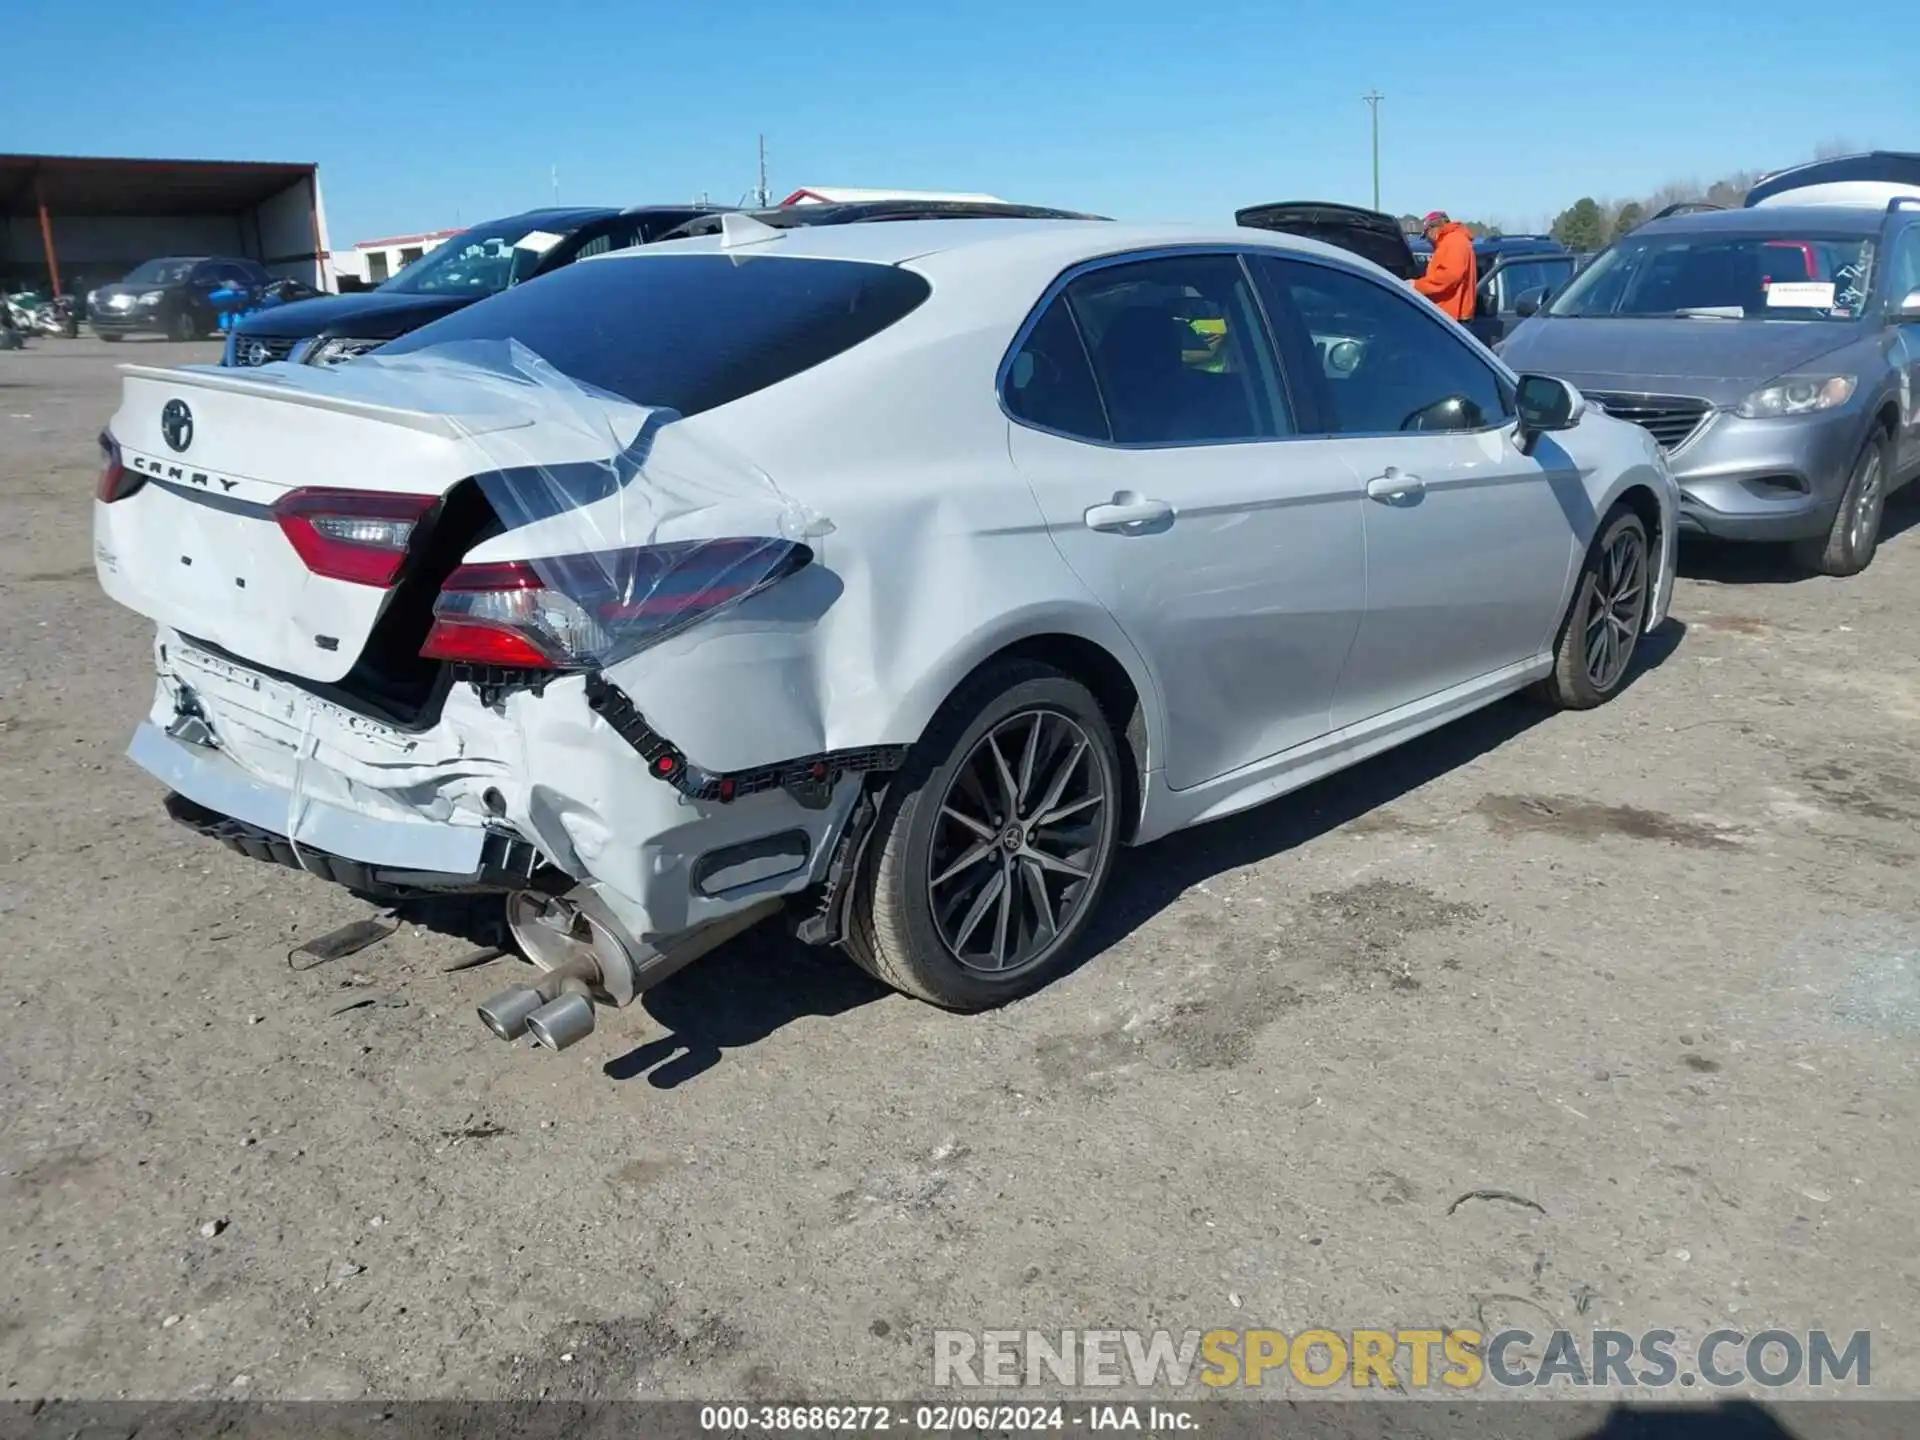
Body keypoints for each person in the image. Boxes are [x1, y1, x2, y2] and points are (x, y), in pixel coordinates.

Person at [1412, 211, 1478, 322]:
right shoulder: (1452, 241)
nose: (1428, 241)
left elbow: (1450, 276)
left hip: (1453, 317)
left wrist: (1417, 285)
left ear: (1432, 229)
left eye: (1426, 236)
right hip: (1451, 315)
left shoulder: (1454, 241)